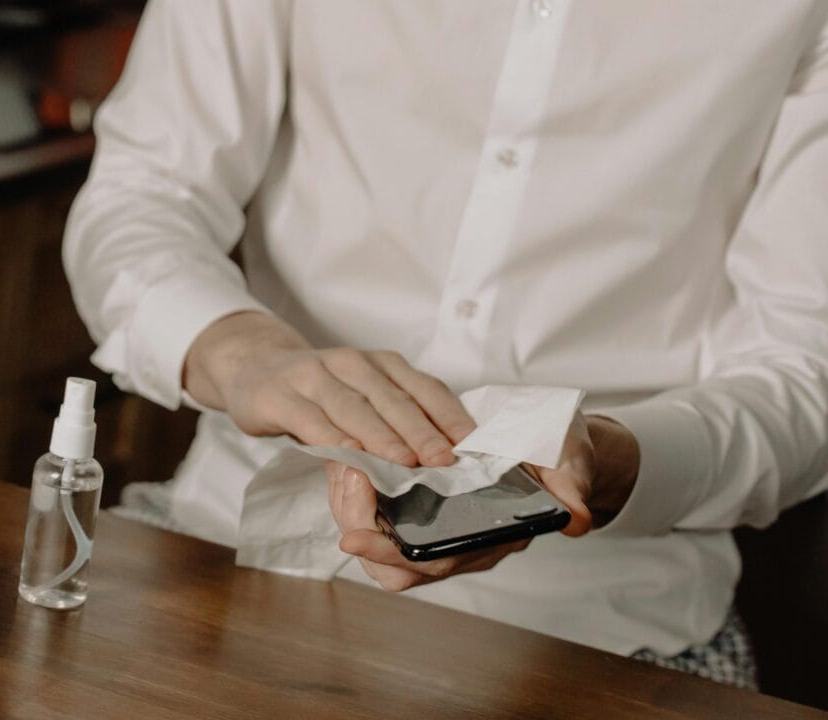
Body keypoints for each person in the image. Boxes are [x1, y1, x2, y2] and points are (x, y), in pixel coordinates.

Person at [64, 1, 828, 689]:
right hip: (222, 539)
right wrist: (242, 354)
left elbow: (806, 367)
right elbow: (144, 190)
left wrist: (617, 456)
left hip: (608, 628)